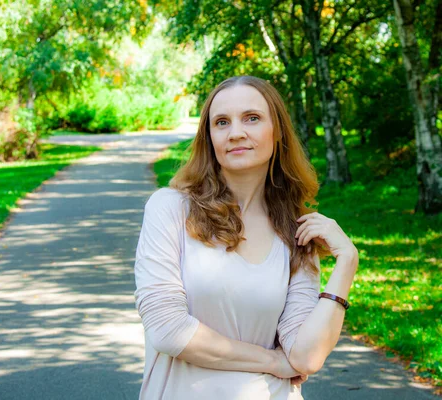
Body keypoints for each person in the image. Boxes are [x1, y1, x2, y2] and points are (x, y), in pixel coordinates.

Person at [133, 75, 359, 399]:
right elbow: (168, 329)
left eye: (252, 118)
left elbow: (306, 356)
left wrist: (348, 262)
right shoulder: (170, 209)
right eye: (221, 122)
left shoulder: (294, 232)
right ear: (209, 137)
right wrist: (272, 360)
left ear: (277, 131)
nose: (236, 132)